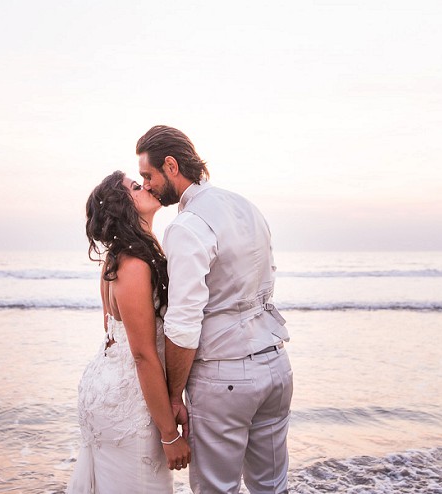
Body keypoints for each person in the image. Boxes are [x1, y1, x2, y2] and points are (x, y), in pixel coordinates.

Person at [137, 125, 293, 493]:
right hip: (276, 366)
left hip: (225, 376)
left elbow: (184, 323)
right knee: (272, 486)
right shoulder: (245, 205)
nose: (146, 185)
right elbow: (267, 277)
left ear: (171, 166)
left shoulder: (187, 227)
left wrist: (174, 396)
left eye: (148, 175)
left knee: (216, 490)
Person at [68, 171, 190, 492]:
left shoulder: (117, 257)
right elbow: (142, 354)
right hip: (126, 400)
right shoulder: (133, 265)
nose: (146, 185)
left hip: (106, 386)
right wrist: (169, 435)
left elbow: (112, 333)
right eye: (136, 186)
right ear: (124, 205)